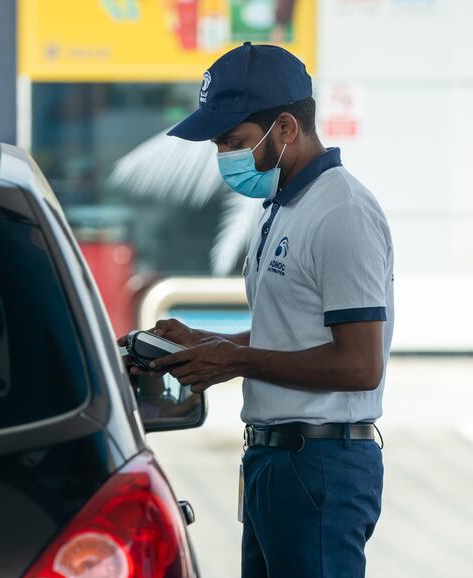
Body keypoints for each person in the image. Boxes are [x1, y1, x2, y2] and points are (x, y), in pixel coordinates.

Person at [120, 42, 393, 578]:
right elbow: (290, 332)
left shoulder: (342, 213)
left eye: (233, 141)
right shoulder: (284, 206)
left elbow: (360, 366)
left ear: (287, 127)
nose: (223, 156)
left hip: (319, 465)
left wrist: (234, 361)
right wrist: (203, 342)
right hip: (277, 462)